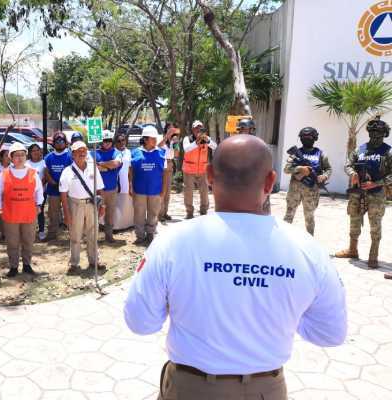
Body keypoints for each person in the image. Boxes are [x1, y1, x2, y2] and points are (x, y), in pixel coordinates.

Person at [124, 135, 347, 400]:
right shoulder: (307, 249)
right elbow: (330, 334)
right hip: (266, 391)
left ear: (209, 175)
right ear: (270, 181)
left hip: (190, 389)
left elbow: (140, 322)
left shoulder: (173, 241)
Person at [335, 117, 392, 268]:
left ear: (384, 133)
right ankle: (352, 250)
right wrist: (352, 173)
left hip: (377, 193)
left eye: (378, 132)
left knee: (375, 224)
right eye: (372, 131)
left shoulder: (388, 151)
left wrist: (376, 183)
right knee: (354, 220)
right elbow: (348, 164)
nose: (375, 134)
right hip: (358, 192)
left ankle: (373, 256)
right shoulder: (360, 149)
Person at [0, 143, 44, 277]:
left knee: (28, 240)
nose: (20, 158)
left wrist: (39, 205)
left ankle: (27, 265)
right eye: (16, 155)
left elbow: (39, 191)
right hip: (10, 214)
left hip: (29, 214)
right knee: (12, 242)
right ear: (11, 157)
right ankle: (13, 267)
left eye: (22, 155)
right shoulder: (4, 174)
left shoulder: (33, 173)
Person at [60, 141, 106, 275]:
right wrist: (67, 214)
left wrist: (102, 205)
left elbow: (100, 188)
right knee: (75, 234)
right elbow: (63, 195)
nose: (82, 153)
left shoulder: (93, 168)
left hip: (92, 204)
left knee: (93, 233)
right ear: (72, 154)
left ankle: (94, 261)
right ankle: (74, 263)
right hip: (75, 204)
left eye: (84, 151)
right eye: (78, 151)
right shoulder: (67, 172)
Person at [283, 127, 332, 235]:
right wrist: (299, 169)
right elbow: (286, 169)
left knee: (309, 218)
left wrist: (323, 177)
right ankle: (284, 238)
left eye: (309, 137)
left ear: (314, 138)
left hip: (311, 190)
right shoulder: (296, 153)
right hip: (294, 190)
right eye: (304, 137)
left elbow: (328, 169)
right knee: (289, 214)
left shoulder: (320, 154)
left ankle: (310, 240)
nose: (306, 139)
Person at [129, 126, 168, 245]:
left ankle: (150, 233)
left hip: (155, 190)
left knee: (153, 213)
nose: (155, 140)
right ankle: (140, 236)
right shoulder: (135, 152)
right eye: (153, 138)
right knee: (139, 214)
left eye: (156, 138)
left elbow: (165, 173)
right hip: (139, 190)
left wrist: (164, 190)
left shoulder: (161, 153)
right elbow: (130, 171)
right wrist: (130, 185)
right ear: (145, 139)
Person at [181, 120, 217, 219]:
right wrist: (196, 143)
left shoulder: (206, 138)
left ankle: (204, 211)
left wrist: (208, 141)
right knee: (188, 192)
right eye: (196, 128)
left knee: (205, 192)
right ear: (192, 129)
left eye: (200, 127)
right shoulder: (187, 139)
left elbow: (215, 147)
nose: (198, 130)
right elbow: (186, 149)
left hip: (202, 170)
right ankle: (189, 213)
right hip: (189, 170)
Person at [95, 130, 122, 242]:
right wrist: (108, 166)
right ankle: (93, 237)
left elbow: (116, 163)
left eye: (109, 141)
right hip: (97, 190)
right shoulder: (94, 152)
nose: (106, 143)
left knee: (110, 214)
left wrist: (100, 164)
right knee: (94, 214)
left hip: (111, 189)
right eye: (104, 141)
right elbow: (91, 166)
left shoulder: (116, 152)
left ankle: (109, 236)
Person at [44, 131, 72, 241]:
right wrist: (51, 181)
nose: (59, 143)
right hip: (53, 190)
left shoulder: (70, 156)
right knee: (53, 214)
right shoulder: (48, 157)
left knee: (70, 212)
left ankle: (73, 235)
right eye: (57, 141)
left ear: (66, 143)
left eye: (62, 140)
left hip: (69, 191)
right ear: (53, 143)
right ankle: (52, 234)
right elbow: (46, 171)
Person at [26, 143, 47, 241]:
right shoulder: (26, 163)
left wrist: (40, 185)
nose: (35, 152)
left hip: (41, 191)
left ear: (40, 151)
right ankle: (30, 231)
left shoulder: (44, 162)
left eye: (37, 150)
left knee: (40, 211)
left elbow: (46, 177)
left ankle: (41, 231)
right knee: (29, 211)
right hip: (28, 192)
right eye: (33, 151)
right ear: (30, 152)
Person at [158, 125, 179, 221]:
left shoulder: (174, 140)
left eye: (173, 129)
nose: (172, 130)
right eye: (170, 128)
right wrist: (167, 136)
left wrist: (176, 144)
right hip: (162, 164)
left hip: (170, 164)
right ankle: (159, 214)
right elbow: (157, 146)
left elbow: (177, 154)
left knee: (168, 191)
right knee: (162, 190)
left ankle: (165, 212)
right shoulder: (161, 137)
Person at [114, 132, 134, 229]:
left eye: (123, 140)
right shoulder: (113, 152)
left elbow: (130, 169)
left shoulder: (129, 152)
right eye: (119, 141)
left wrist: (130, 184)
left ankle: (126, 225)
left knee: (125, 204)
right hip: (114, 183)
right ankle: (116, 226)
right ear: (115, 143)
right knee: (115, 204)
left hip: (125, 182)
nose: (121, 142)